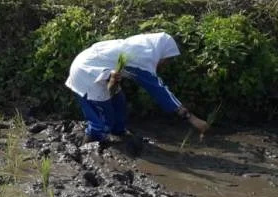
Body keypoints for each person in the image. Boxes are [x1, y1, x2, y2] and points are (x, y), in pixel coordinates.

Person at [65, 33, 208, 146]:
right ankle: (87, 149)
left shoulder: (144, 45)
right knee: (102, 121)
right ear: (162, 52)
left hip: (105, 73)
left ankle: (119, 135)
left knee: (119, 103)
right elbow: (160, 91)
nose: (165, 63)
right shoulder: (143, 59)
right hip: (88, 73)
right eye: (166, 59)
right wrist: (191, 118)